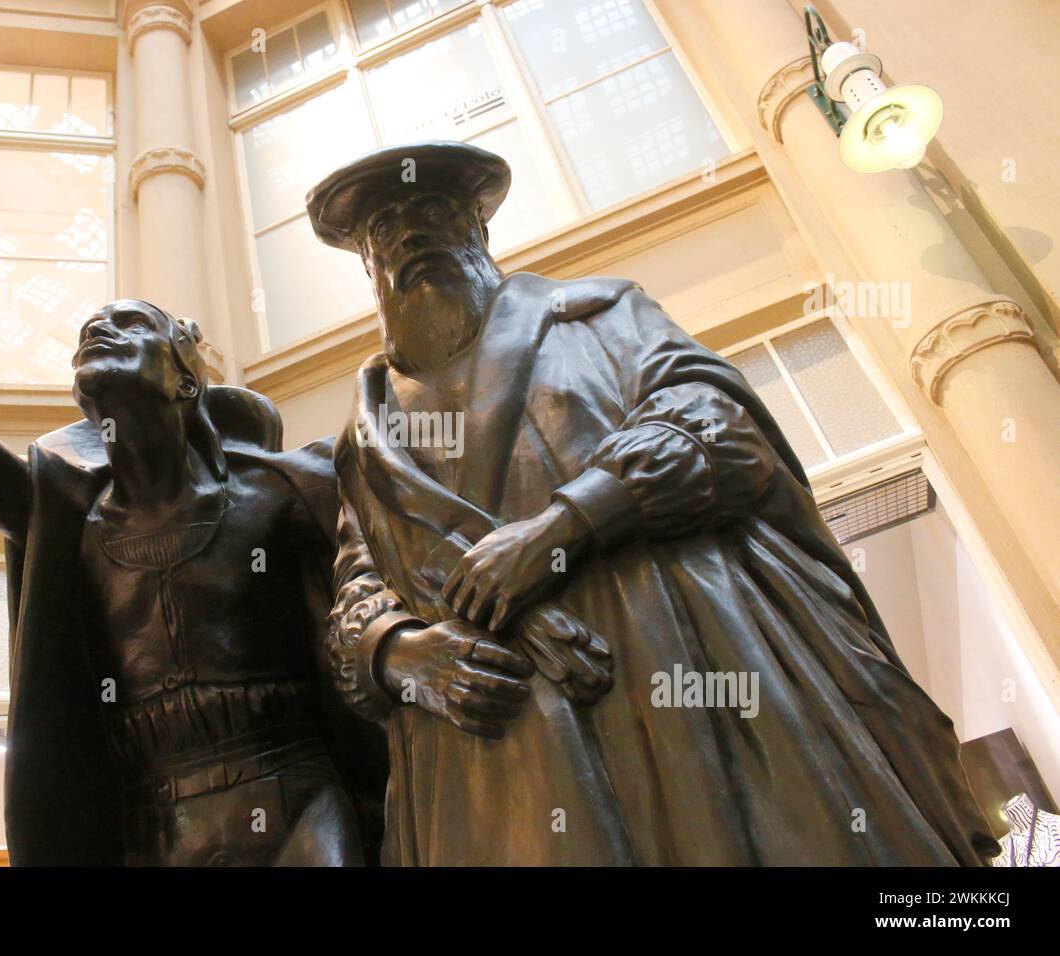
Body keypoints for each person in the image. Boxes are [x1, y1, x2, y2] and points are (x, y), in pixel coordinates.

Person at [313, 140, 998, 866]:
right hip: (493, 744)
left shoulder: (602, 318)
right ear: (369, 269)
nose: (410, 237)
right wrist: (400, 652)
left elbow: (720, 425)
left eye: (430, 213)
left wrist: (564, 526)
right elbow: (357, 588)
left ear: (478, 231)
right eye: (385, 233)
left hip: (677, 663)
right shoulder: (365, 440)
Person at [0, 65, 377, 865]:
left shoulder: (283, 494)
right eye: (89, 333)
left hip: (295, 799)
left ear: (188, 376)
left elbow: (401, 565)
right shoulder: (62, 513)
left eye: (128, 325)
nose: (99, 332)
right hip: (151, 824)